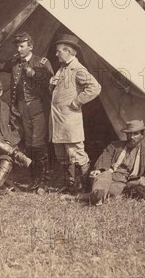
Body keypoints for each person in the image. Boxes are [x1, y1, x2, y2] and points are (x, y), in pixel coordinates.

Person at [0, 29, 54, 192]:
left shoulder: (41, 62)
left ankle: (42, 180)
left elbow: (51, 81)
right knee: (28, 142)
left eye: (21, 46)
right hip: (20, 108)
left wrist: (34, 74)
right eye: (17, 47)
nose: (18, 50)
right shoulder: (15, 62)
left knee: (39, 142)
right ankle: (34, 177)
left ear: (30, 46)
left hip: (37, 107)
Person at [49, 34, 101, 194]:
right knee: (63, 156)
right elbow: (59, 92)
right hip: (59, 121)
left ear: (68, 51)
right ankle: (70, 185)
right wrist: (51, 85)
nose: (56, 54)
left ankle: (84, 187)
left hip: (70, 122)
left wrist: (77, 102)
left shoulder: (78, 69)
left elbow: (95, 87)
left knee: (76, 154)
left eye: (59, 51)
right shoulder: (63, 68)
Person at [89, 120, 145, 206]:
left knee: (114, 189)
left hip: (124, 184)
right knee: (103, 176)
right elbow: (105, 158)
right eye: (129, 134)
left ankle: (96, 196)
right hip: (110, 176)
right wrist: (100, 170)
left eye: (135, 134)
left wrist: (144, 178)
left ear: (142, 135)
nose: (132, 137)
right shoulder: (115, 146)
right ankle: (99, 196)